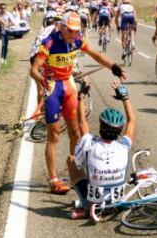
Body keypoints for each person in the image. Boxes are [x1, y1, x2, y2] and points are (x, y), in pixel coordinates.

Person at [30, 12, 126, 194]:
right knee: (54, 134)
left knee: (75, 132)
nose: (75, 34)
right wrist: (41, 80)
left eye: (77, 31)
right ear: (62, 28)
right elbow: (33, 69)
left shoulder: (77, 40)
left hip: (68, 86)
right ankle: (53, 180)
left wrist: (114, 67)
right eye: (72, 31)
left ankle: (73, 171)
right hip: (53, 88)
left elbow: (96, 55)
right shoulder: (49, 42)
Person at [66, 82, 135, 219]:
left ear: (101, 126)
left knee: (71, 159)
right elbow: (132, 120)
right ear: (119, 131)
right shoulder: (124, 146)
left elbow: (81, 122)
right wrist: (125, 98)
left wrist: (81, 97)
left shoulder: (89, 143)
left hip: (93, 203)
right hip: (117, 204)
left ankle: (86, 207)